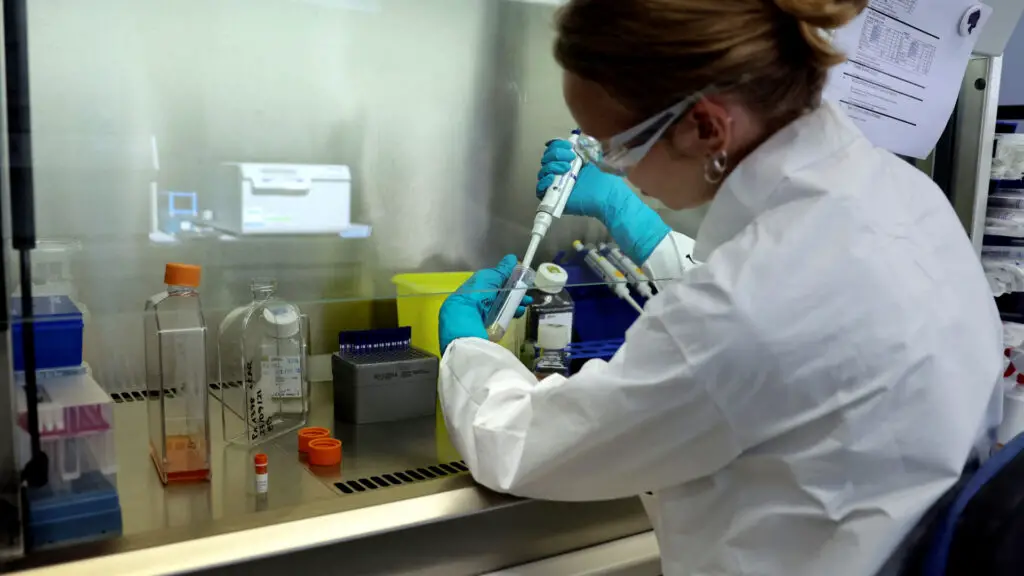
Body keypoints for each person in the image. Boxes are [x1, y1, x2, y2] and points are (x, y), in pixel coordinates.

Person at [436, 0, 1004, 574]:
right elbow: (785, 301)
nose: (610, 169)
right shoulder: (903, 195)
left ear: (706, 127)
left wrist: (466, 349)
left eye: (614, 147)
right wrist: (648, 237)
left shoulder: (745, 313)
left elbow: (524, 445)